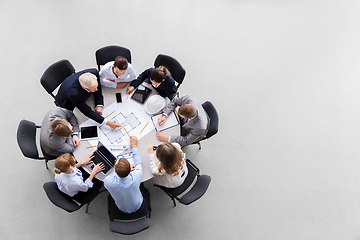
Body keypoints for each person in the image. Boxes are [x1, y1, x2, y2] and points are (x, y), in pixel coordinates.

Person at [56, 68, 120, 129]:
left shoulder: (94, 73)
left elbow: (98, 89)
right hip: (67, 101)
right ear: (84, 88)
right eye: (94, 89)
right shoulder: (74, 94)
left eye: (96, 86)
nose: (96, 89)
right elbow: (87, 111)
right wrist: (107, 123)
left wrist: (99, 104)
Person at [104, 136, 144, 213]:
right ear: (130, 169)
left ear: (115, 171)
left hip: (121, 208)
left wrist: (123, 170)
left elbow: (110, 178)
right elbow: (139, 163)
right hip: (138, 205)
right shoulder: (136, 176)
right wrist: (134, 146)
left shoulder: (108, 181)